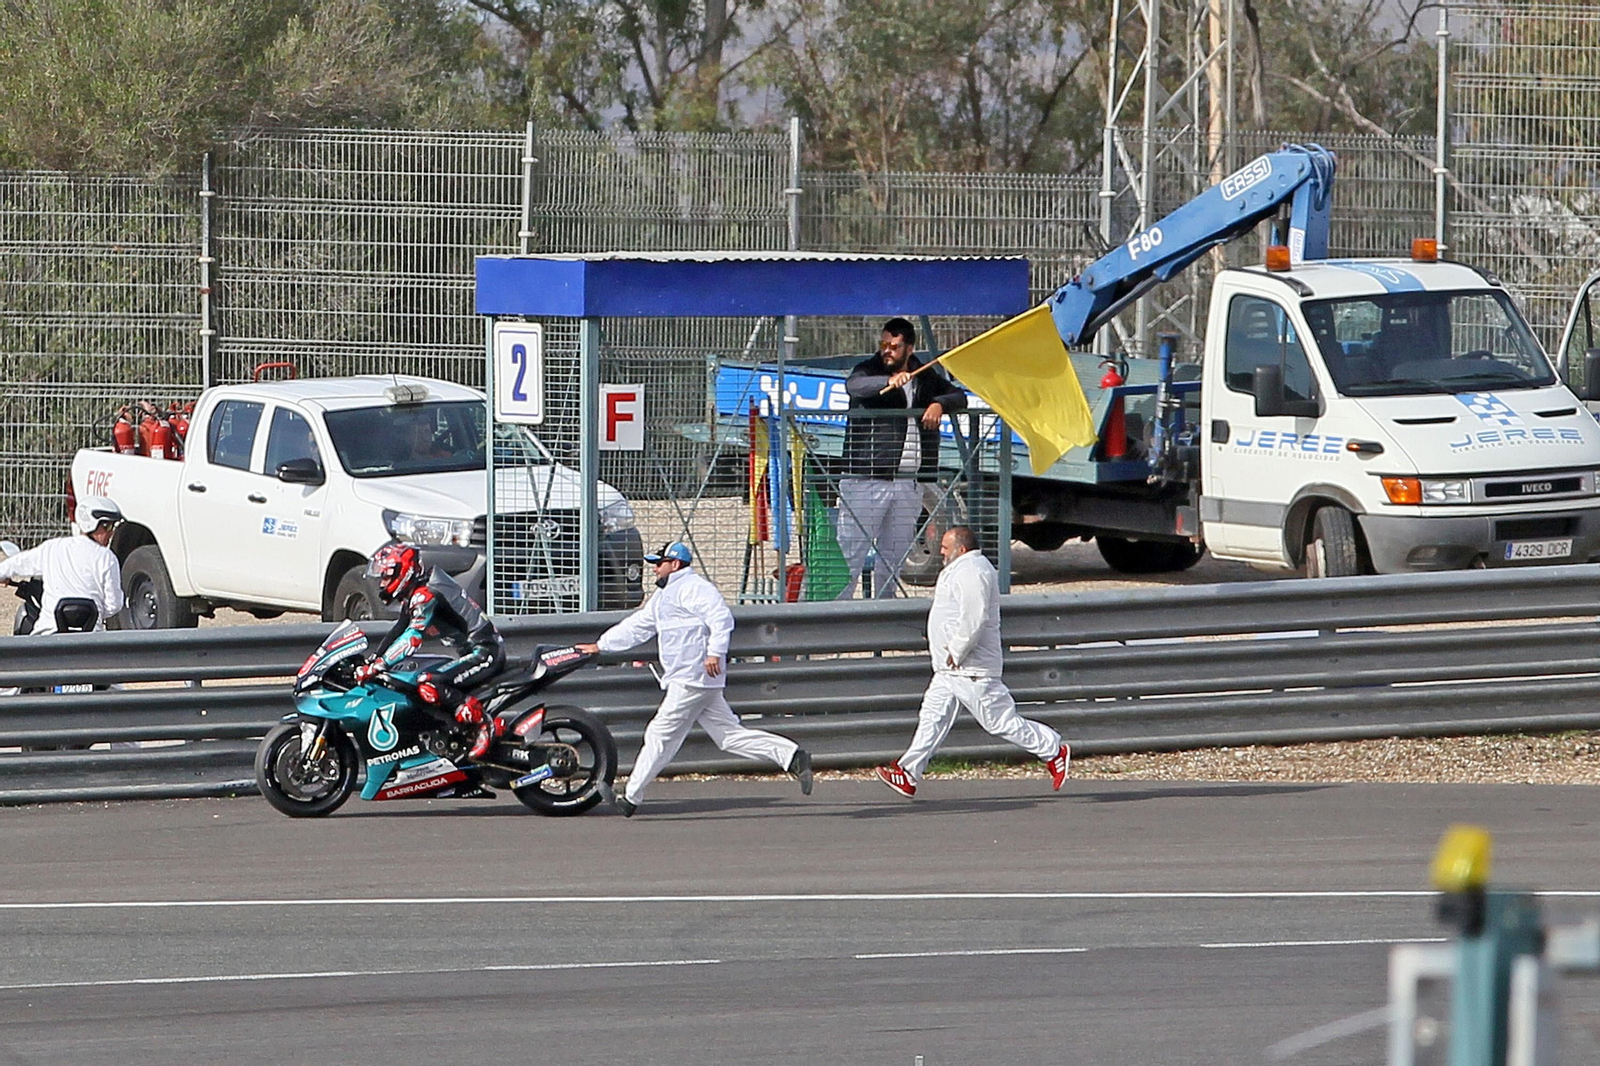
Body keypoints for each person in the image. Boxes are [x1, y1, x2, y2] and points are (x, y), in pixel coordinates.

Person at [577, 541, 813, 817]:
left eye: (659, 563)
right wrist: (601, 645)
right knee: (728, 737)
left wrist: (715, 653)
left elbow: (721, 618)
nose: (654, 568)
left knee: (659, 735)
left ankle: (630, 798)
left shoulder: (694, 588)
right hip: (696, 679)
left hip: (692, 678)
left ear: (674, 564)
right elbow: (637, 626)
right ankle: (793, 756)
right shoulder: (664, 597)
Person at [874, 525, 1070, 799]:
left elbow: (974, 617)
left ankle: (1053, 748)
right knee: (932, 717)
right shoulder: (962, 569)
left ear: (961, 549)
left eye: (944, 547)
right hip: (950, 668)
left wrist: (957, 648)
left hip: (970, 667)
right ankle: (908, 772)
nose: (940, 551)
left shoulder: (972, 571)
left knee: (998, 721)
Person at [837, 317, 967, 599]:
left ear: (909, 348)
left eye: (894, 346)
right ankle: (835, 612)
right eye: (884, 344)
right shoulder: (868, 369)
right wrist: (889, 381)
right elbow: (856, 386)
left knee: (894, 553)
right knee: (851, 552)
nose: (887, 351)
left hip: (908, 483)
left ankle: (885, 610)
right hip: (867, 480)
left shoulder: (925, 375)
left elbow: (959, 396)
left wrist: (938, 403)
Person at [357, 541, 505, 760]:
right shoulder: (416, 593)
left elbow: (411, 639)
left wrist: (379, 665)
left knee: (429, 681)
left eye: (387, 577)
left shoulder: (426, 595)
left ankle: (484, 725)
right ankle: (454, 737)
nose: (382, 583)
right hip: (469, 653)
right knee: (412, 680)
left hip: (484, 652)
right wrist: (374, 659)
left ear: (404, 572)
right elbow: (399, 629)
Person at [0, 498, 126, 635]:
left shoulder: (53, 548)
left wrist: (2, 574)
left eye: (112, 527)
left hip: (48, 633)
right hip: (91, 639)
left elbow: (18, 562)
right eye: (107, 526)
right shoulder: (108, 558)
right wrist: (95, 612)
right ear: (91, 524)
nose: (111, 532)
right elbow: (114, 604)